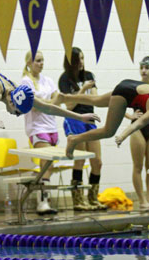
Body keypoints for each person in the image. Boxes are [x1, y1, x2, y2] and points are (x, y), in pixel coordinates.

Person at [60, 79, 149, 159]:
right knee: (108, 131)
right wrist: (122, 136)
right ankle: (74, 139)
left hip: (130, 85)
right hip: (125, 95)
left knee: (98, 100)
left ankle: (65, 97)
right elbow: (138, 123)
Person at [58, 47, 107, 211]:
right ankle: (78, 199)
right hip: (75, 118)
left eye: (83, 58)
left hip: (90, 118)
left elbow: (95, 99)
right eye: (78, 59)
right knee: (80, 160)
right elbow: (70, 104)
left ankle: (93, 197)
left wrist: (87, 92)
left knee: (97, 161)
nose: (82, 62)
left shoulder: (89, 76)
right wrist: (83, 90)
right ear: (71, 61)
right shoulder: (65, 79)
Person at [21, 51, 59, 215]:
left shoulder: (48, 80)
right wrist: (47, 102)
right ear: (29, 63)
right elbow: (33, 106)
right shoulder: (25, 82)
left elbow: (57, 100)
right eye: (37, 61)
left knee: (49, 165)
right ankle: (42, 201)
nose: (41, 63)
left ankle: (45, 198)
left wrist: (45, 102)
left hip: (52, 126)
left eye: (42, 60)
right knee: (44, 163)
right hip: (37, 128)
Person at [125, 56, 149, 210]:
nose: (143, 71)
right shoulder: (134, 87)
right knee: (138, 166)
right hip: (137, 128)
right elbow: (116, 105)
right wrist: (130, 116)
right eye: (141, 67)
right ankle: (142, 200)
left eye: (147, 68)